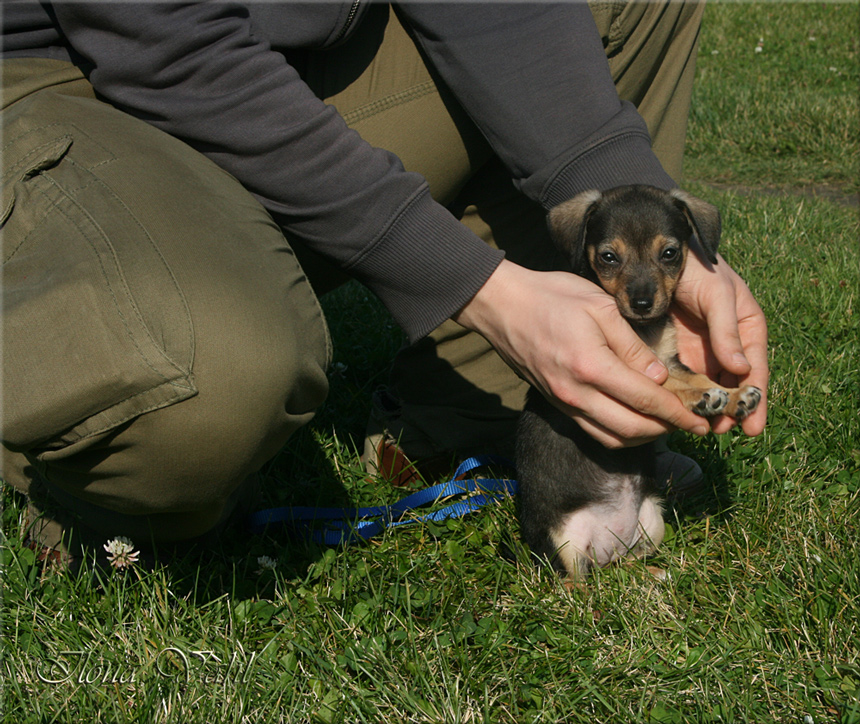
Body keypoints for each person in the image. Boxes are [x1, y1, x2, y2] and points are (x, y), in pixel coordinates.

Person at [1, 1, 768, 564]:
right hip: (67, 75)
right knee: (209, 388)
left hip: (289, 57)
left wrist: (649, 223)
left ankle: (473, 414)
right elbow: (164, 45)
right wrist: (479, 287)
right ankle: (65, 460)